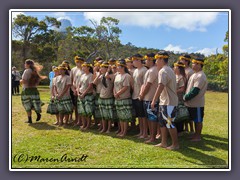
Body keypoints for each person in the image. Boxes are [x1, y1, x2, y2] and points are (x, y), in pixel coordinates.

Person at [151, 51, 179, 150]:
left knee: (169, 123)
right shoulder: (169, 70)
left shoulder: (163, 71)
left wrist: (153, 100)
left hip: (169, 102)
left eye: (157, 59)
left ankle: (175, 144)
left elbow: (161, 86)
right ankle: (163, 142)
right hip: (165, 101)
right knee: (162, 122)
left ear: (162, 59)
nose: (156, 62)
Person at [183, 58, 208, 142]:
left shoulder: (201, 75)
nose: (192, 65)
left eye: (194, 63)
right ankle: (195, 135)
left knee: (198, 120)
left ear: (199, 65)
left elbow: (195, 90)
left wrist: (185, 97)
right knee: (194, 119)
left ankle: (198, 136)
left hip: (197, 103)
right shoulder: (195, 74)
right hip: (191, 103)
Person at [139, 53, 158, 142]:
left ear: (150, 60)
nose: (145, 61)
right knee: (149, 118)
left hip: (150, 98)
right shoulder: (149, 70)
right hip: (147, 98)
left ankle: (152, 137)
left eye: (146, 59)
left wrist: (142, 95)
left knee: (152, 118)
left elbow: (148, 85)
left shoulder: (153, 70)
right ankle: (151, 136)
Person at [20, 59, 46, 123]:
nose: (24, 65)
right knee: (34, 104)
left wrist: (20, 81)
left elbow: (24, 81)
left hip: (27, 90)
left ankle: (30, 119)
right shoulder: (34, 71)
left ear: (28, 64)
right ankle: (37, 113)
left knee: (27, 104)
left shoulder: (26, 71)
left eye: (25, 64)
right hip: (34, 90)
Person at [93, 62, 115, 133]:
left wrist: (108, 71)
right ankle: (103, 127)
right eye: (100, 67)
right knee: (103, 114)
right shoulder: (101, 75)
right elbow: (94, 83)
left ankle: (108, 128)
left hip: (108, 96)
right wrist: (98, 74)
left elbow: (106, 77)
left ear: (106, 68)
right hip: (101, 96)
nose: (100, 68)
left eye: (102, 67)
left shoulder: (111, 75)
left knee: (109, 115)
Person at [114, 60, 132, 137]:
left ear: (123, 67)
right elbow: (114, 86)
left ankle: (124, 131)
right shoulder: (117, 75)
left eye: (118, 66)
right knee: (120, 116)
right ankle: (121, 130)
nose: (117, 68)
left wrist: (118, 93)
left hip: (124, 98)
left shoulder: (127, 76)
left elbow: (126, 86)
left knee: (125, 116)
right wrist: (114, 93)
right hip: (117, 98)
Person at [131, 54, 148, 138]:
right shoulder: (135, 71)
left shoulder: (144, 70)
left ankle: (145, 133)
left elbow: (145, 84)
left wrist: (141, 95)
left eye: (134, 60)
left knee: (143, 116)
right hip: (135, 95)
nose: (133, 62)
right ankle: (141, 132)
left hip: (141, 96)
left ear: (138, 60)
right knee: (139, 116)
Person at [179, 54, 195, 133]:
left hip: (186, 93)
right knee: (182, 111)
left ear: (186, 61)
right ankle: (185, 128)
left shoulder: (190, 71)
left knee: (188, 112)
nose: (180, 61)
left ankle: (191, 129)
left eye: (182, 60)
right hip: (181, 94)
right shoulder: (182, 70)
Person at [77, 62, 94, 131]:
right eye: (83, 67)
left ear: (88, 68)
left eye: (85, 67)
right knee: (82, 111)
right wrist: (78, 92)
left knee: (88, 111)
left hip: (87, 95)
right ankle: (83, 124)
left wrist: (83, 94)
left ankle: (88, 125)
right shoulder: (82, 75)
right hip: (80, 94)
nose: (83, 68)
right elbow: (79, 85)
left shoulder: (90, 75)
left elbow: (90, 86)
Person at [70, 56, 85, 126]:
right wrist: (74, 90)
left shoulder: (84, 69)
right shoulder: (73, 70)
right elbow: (71, 81)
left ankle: (82, 121)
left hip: (82, 90)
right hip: (75, 90)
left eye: (79, 62)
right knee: (76, 106)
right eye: (77, 62)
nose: (78, 63)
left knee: (82, 107)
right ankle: (77, 120)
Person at [173, 61, 187, 135]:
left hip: (179, 98)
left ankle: (180, 130)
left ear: (178, 68)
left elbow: (182, 89)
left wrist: (174, 91)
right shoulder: (175, 76)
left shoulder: (181, 77)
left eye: (175, 67)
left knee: (179, 114)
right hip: (174, 98)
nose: (173, 68)